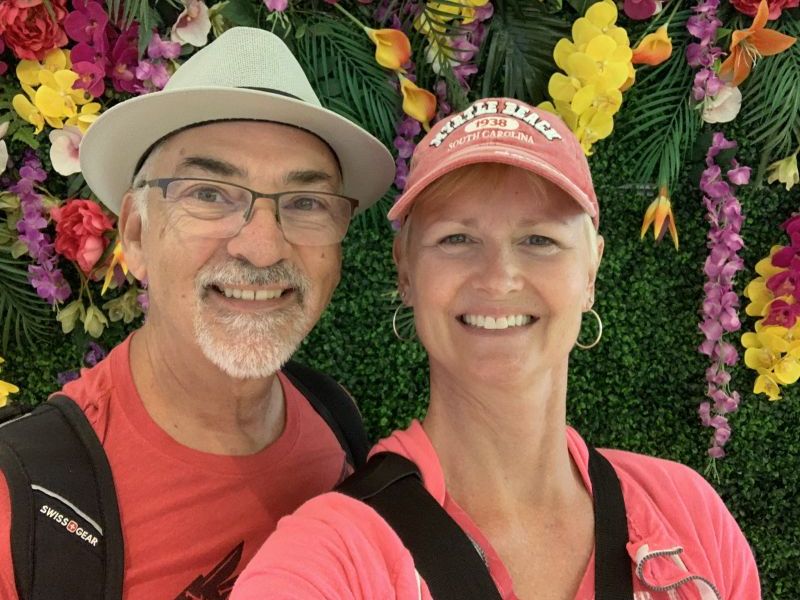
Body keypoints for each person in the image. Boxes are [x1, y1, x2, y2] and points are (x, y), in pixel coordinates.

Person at [231, 97, 761, 600]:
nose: (500, 278)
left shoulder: (688, 511)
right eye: (457, 239)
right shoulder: (331, 558)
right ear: (406, 269)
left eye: (540, 240)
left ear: (591, 272)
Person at [0, 27, 394, 599]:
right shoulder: (21, 503)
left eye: (306, 202)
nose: (262, 247)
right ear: (136, 233)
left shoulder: (336, 421)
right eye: (209, 193)